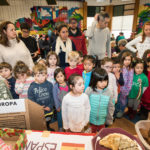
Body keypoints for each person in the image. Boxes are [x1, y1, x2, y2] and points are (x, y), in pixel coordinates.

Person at [85, 68, 114, 133]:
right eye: (101, 81)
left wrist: (109, 119)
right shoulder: (89, 90)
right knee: (91, 135)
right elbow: (84, 105)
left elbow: (111, 107)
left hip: (102, 121)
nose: (104, 83)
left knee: (101, 135)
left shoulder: (109, 92)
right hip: (90, 120)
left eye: (105, 81)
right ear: (95, 80)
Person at [28, 64, 54, 131]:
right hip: (38, 110)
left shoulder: (50, 85)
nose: (41, 78)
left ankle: (47, 127)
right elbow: (31, 100)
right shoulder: (32, 87)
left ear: (46, 75)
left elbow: (52, 97)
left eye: (43, 75)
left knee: (48, 120)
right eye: (38, 76)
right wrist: (38, 107)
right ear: (34, 76)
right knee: (39, 123)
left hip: (48, 109)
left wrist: (50, 106)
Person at [116, 52, 134, 118]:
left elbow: (130, 80)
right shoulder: (120, 68)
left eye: (129, 60)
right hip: (118, 88)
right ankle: (117, 110)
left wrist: (127, 90)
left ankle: (121, 110)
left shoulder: (130, 69)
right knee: (118, 100)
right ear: (122, 60)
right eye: (125, 60)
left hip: (125, 89)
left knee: (123, 101)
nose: (127, 61)